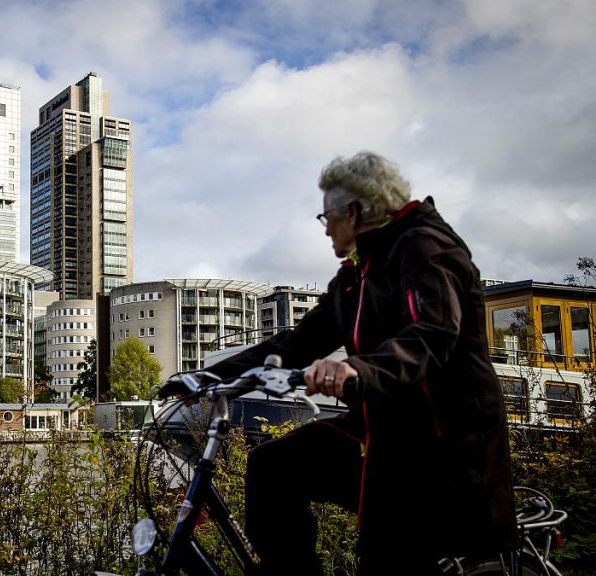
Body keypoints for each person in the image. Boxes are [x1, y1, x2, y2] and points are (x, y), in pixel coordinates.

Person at [204, 152, 516, 576]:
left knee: (390, 557)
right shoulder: (356, 273)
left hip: (445, 443)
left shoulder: (424, 248)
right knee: (273, 467)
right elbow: (300, 340)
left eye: (325, 216)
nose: (326, 227)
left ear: (352, 213)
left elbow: (433, 332)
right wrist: (209, 375)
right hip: (389, 430)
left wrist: (357, 371)